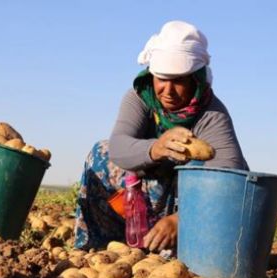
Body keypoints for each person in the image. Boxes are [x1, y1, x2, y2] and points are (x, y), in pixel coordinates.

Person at [73, 21, 249, 251]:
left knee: (202, 169)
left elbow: (230, 179)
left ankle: (175, 250)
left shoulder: (212, 114)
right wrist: (156, 148)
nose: (168, 90)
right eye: (161, 79)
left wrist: (182, 219)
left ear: (195, 79)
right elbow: (119, 147)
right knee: (101, 152)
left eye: (178, 81)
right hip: (140, 197)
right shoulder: (140, 98)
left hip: (187, 209)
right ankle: (99, 249)